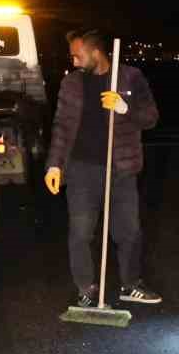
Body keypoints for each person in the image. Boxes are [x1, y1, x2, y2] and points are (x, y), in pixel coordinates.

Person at [44, 29, 163, 307]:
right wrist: (54, 166)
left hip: (121, 168)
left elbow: (151, 117)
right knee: (81, 233)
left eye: (78, 55)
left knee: (129, 231)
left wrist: (125, 108)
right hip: (81, 170)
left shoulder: (130, 77)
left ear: (96, 52)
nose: (73, 61)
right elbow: (61, 127)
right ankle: (86, 289)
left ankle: (131, 284)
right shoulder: (71, 84)